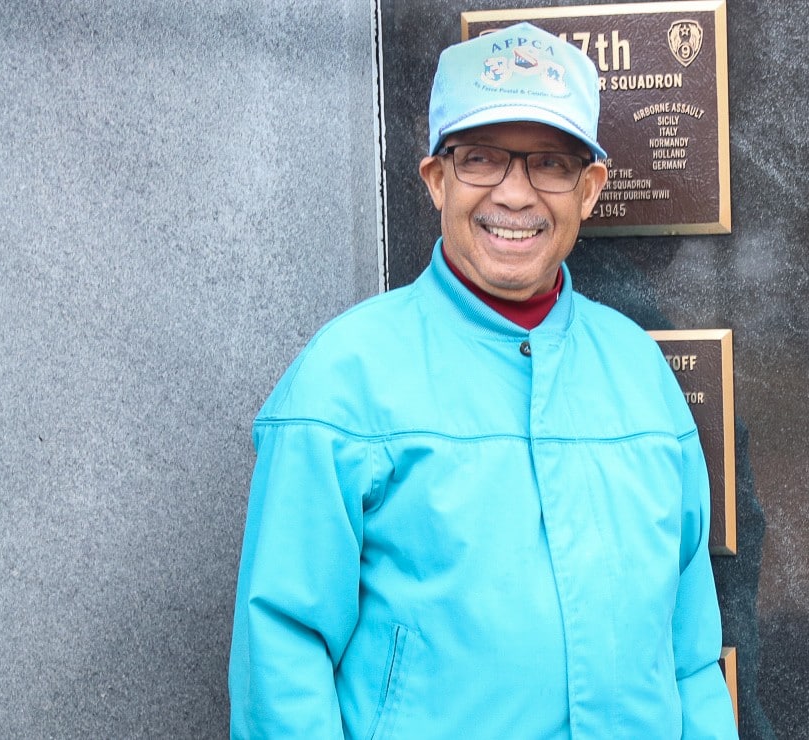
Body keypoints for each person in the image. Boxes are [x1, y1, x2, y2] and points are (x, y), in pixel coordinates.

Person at [228, 23, 736, 739]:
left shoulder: (639, 373)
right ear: (437, 180)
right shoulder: (345, 378)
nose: (516, 194)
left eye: (550, 164)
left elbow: (687, 655)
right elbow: (282, 654)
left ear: (589, 190)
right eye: (481, 160)